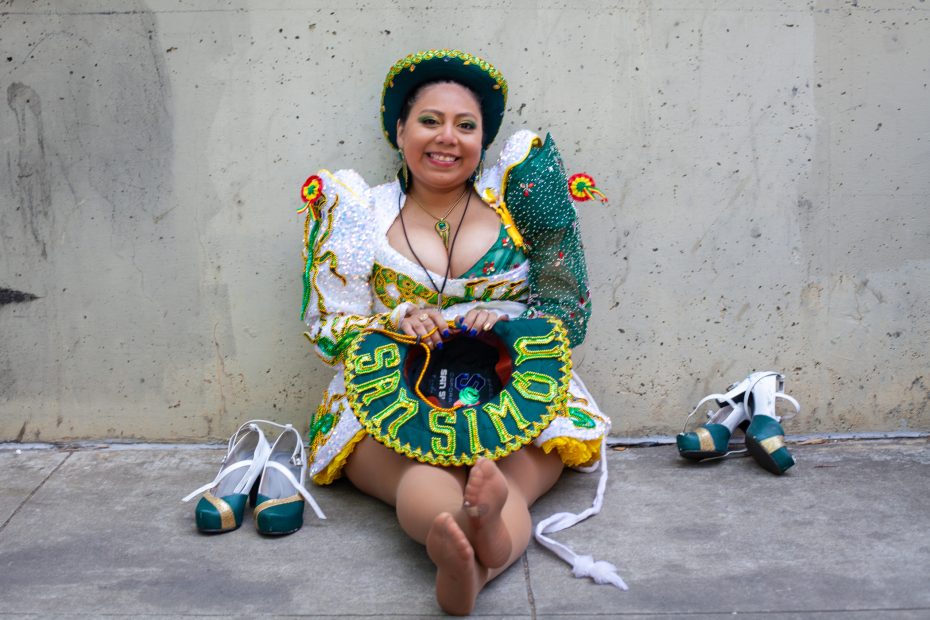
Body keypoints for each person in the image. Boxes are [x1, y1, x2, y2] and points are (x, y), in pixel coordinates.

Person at [299, 49, 616, 615]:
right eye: (429, 120)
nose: (447, 137)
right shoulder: (358, 212)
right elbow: (327, 327)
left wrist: (512, 319)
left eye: (465, 126)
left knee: (505, 479)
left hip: (517, 381)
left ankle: (480, 548)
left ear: (482, 140)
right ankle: (466, 549)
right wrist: (392, 318)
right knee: (420, 475)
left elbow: (567, 310)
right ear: (400, 130)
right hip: (390, 389)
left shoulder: (519, 198)